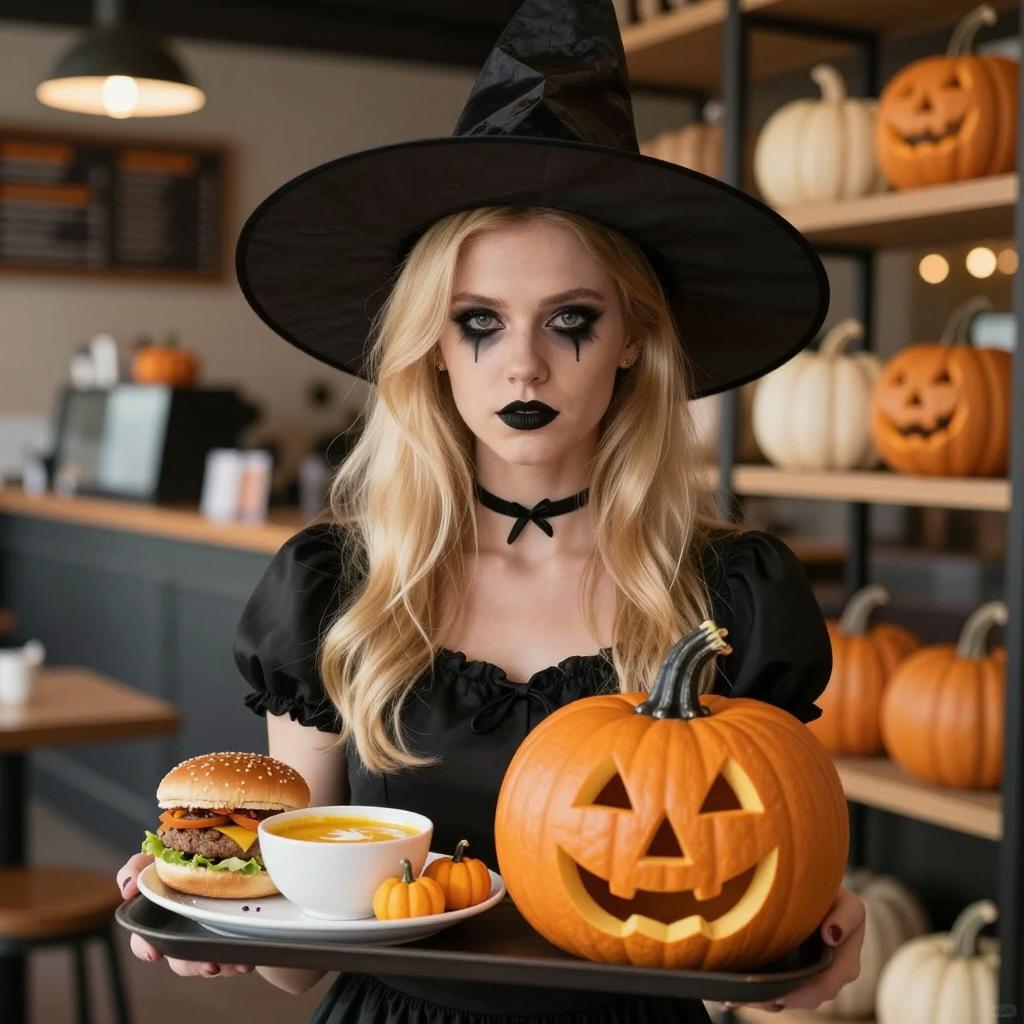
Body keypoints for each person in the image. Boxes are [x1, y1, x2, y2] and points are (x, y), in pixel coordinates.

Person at [117, 0, 865, 1020]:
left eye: (571, 320)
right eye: (479, 322)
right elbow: (304, 957)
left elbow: (760, 903)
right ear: (432, 344)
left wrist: (811, 946)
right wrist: (219, 909)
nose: (523, 365)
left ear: (633, 340)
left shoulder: (732, 594)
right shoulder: (336, 588)